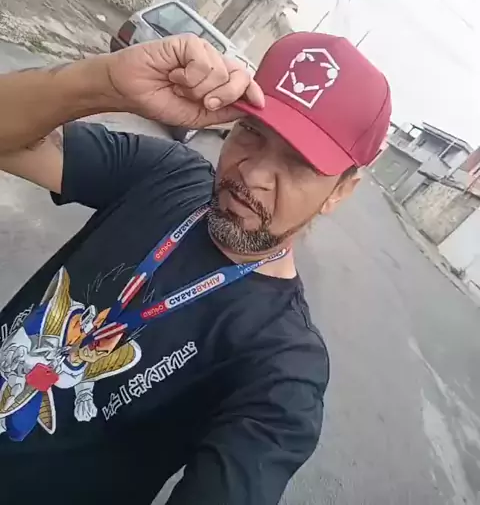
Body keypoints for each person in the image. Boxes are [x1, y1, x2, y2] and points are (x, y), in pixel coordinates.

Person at [0, 31, 391, 504]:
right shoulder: (165, 172)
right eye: (252, 132)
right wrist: (104, 82)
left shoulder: (282, 365)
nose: (252, 174)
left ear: (341, 190)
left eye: (298, 162)